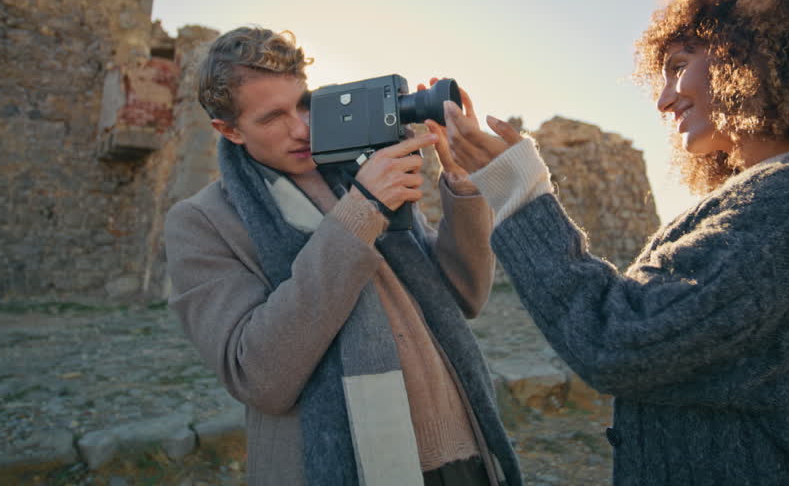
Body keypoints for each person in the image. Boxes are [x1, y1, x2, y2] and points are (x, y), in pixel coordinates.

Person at [445, 0, 789, 485]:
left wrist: (520, 193)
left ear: (744, 59)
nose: (663, 100)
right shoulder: (782, 191)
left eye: (679, 67)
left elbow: (620, 340)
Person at [163, 26, 521, 486]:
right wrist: (362, 212)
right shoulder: (201, 222)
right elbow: (256, 376)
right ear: (229, 130)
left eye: (303, 104)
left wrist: (462, 183)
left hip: (466, 452)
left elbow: (465, 295)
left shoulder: (358, 169)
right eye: (272, 118)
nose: (301, 128)